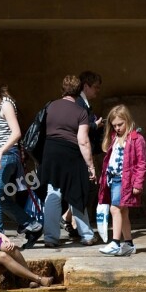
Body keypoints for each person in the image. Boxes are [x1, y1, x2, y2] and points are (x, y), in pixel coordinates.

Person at [0, 73, 42, 242]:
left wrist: (0, 152)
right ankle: (31, 224)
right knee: (0, 199)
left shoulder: (6, 105)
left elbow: (16, 133)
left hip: (5, 156)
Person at [38, 75, 98, 247]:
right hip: (71, 153)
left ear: (62, 88)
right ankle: (86, 235)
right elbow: (83, 141)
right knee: (76, 193)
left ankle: (50, 238)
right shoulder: (81, 112)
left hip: (50, 152)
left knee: (53, 193)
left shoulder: (50, 106)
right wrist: (91, 166)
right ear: (79, 90)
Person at [97, 105, 146, 256]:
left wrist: (138, 183)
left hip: (124, 180)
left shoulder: (136, 139)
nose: (117, 128)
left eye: (120, 124)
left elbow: (141, 163)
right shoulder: (114, 138)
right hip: (112, 179)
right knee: (123, 211)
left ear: (127, 120)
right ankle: (129, 244)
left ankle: (115, 243)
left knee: (115, 209)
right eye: (114, 126)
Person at [62, 71, 105, 237]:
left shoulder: (84, 102)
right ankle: (75, 225)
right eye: (95, 87)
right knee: (87, 188)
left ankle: (68, 218)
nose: (97, 91)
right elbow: (79, 128)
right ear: (85, 86)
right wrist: (95, 125)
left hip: (83, 151)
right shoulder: (79, 102)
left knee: (89, 188)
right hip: (79, 152)